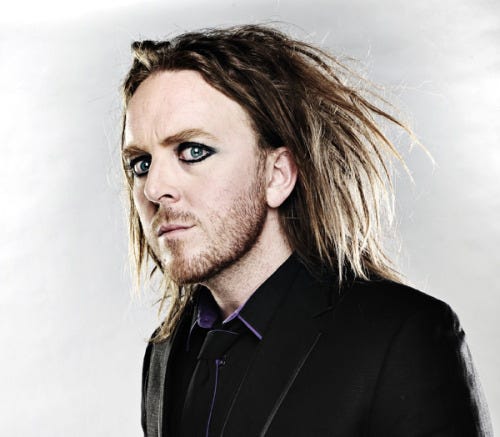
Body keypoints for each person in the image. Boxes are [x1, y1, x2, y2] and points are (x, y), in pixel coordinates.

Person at [120, 24, 492, 437]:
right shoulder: (165, 353)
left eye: (193, 151)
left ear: (277, 175)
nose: (154, 188)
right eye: (141, 163)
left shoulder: (401, 337)